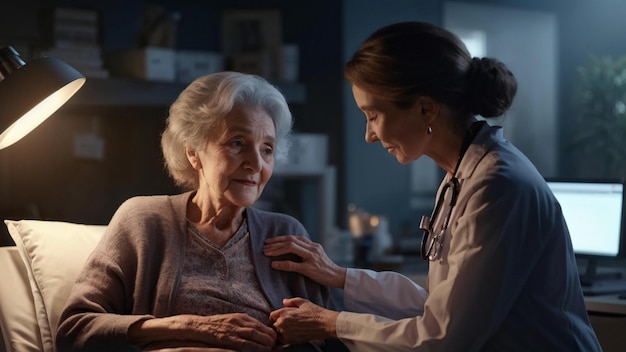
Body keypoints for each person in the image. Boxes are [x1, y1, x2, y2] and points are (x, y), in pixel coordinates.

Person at [263, 21, 602, 351]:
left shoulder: (497, 187)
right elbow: (436, 306)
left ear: (426, 109)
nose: (369, 135)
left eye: (373, 116)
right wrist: (339, 275)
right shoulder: (460, 175)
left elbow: (442, 337)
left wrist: (331, 322)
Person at [55, 71, 347, 352]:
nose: (256, 164)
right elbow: (75, 329)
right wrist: (190, 326)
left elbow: (335, 337)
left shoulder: (285, 234)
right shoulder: (143, 221)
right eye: (237, 143)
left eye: (267, 149)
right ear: (193, 151)